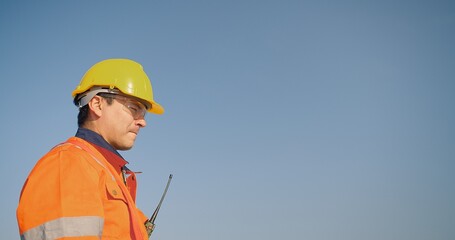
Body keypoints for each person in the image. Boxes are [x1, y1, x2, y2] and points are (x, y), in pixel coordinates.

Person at [16, 59, 164, 240]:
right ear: (97, 104)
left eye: (144, 113)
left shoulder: (109, 172)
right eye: (134, 108)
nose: (142, 121)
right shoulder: (68, 164)